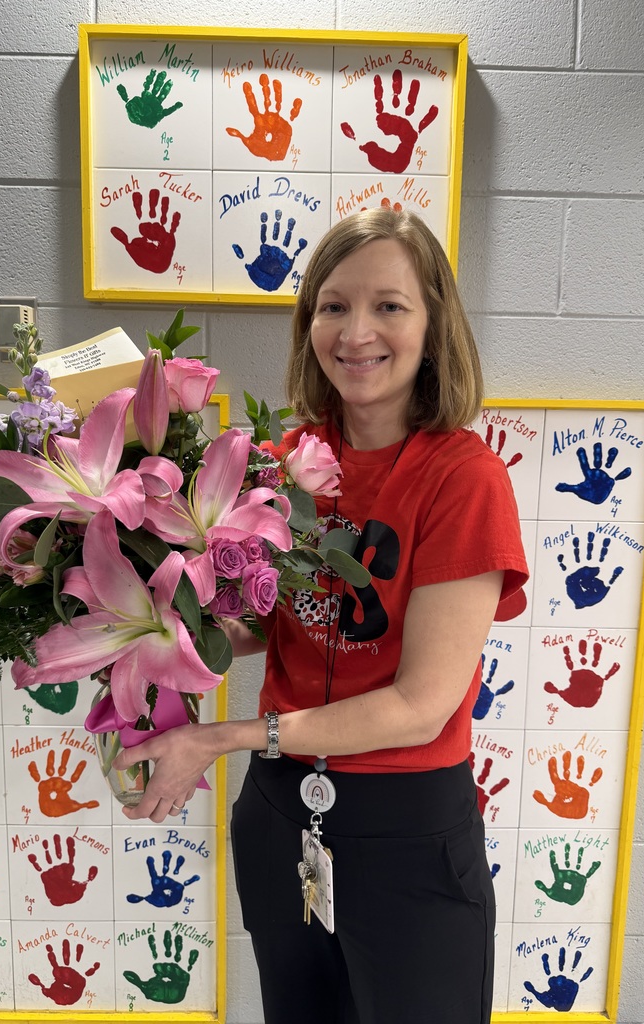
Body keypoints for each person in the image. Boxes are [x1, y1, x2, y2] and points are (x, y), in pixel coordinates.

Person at [116, 208, 528, 1023]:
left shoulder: (465, 479)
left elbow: (420, 707)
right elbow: (261, 626)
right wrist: (141, 625)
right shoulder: (286, 461)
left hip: (407, 836)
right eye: (333, 306)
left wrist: (218, 738)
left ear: (434, 325)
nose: (356, 331)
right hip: (279, 818)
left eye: (389, 305)